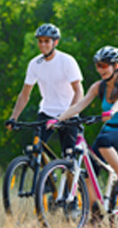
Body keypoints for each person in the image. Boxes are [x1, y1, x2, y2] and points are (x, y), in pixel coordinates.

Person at [47, 46, 118, 209]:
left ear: (115, 66)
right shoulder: (98, 87)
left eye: (104, 65)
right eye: (98, 65)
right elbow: (79, 106)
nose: (100, 69)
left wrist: (113, 110)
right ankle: (95, 212)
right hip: (108, 131)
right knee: (88, 170)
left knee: (103, 141)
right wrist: (58, 119)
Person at [5, 23, 84, 156]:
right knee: (35, 151)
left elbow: (79, 91)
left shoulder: (67, 61)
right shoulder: (35, 64)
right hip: (47, 113)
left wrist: (69, 114)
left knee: (69, 158)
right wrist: (14, 117)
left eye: (46, 41)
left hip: (67, 114)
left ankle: (67, 173)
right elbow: (24, 95)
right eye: (40, 41)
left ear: (55, 42)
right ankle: (47, 175)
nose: (42, 44)